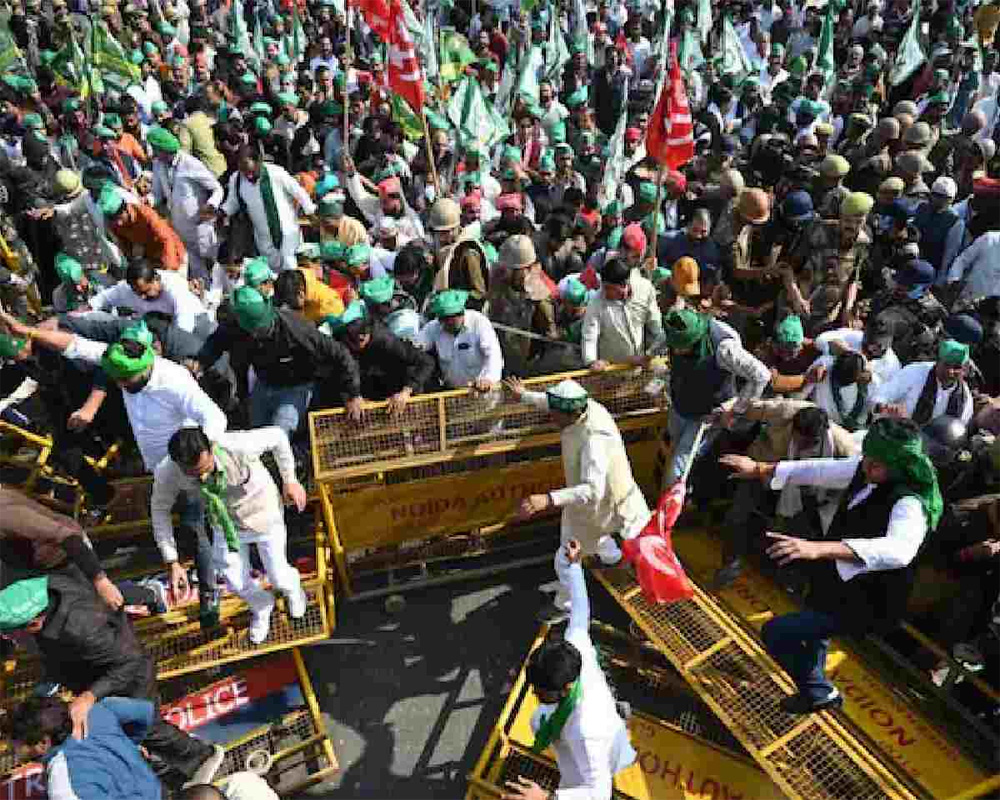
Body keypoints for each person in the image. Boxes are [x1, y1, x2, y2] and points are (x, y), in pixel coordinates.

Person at [720, 417, 942, 713]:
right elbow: (822, 470)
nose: (866, 467)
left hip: (867, 598)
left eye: (875, 464)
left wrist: (817, 549)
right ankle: (817, 693)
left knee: (777, 632)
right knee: (815, 634)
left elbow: (899, 550)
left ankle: (818, 689)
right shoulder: (868, 470)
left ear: (898, 466)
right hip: (834, 580)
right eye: (866, 459)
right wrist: (759, 469)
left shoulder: (910, 504)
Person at [0, 575, 226, 786]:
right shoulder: (51, 592)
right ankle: (159, 762)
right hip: (88, 669)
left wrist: (89, 697)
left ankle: (201, 756)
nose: (10, 639)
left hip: (129, 675)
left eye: (10, 634)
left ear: (34, 623)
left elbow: (130, 663)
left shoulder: (83, 630)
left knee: (144, 725)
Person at [499, 539, 636, 800]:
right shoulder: (577, 643)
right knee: (538, 719)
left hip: (597, 756)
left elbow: (600, 794)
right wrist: (574, 566)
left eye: (541, 692)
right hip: (593, 720)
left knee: (568, 769)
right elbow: (581, 609)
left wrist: (547, 798)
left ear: (567, 687)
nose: (535, 695)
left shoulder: (585, 733)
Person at [505, 378, 650, 622]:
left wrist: (549, 499)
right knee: (603, 540)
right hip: (608, 505)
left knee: (565, 558)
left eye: (554, 414)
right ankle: (615, 560)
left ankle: (565, 605)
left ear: (570, 413)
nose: (550, 417)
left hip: (597, 505)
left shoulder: (594, 439)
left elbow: (591, 490)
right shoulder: (586, 407)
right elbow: (551, 402)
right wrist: (524, 396)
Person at [152, 426, 308, 644]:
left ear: (211, 448)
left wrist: (290, 479)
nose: (204, 476)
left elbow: (278, 436)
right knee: (234, 579)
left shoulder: (236, 445)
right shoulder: (167, 472)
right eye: (195, 474)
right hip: (224, 523)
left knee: (278, 575)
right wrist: (172, 560)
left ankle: (294, 590)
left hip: (262, 512)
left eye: (206, 467)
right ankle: (262, 604)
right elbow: (159, 511)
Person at [193, 286, 364, 433]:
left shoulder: (297, 328)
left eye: (266, 325)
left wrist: (353, 394)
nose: (264, 330)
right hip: (264, 383)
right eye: (258, 329)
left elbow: (340, 353)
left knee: (280, 431)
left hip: (297, 386)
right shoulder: (236, 325)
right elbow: (217, 341)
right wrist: (200, 362)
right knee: (256, 432)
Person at [660, 308, 771, 484]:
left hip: (706, 415)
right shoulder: (673, 328)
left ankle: (672, 502)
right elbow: (659, 345)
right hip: (679, 406)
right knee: (672, 447)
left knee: (679, 466)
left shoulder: (724, 349)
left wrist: (735, 410)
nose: (676, 350)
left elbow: (761, 375)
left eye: (682, 347)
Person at [10, 695, 167, 799]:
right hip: (156, 791)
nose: (12, 746)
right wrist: (131, 743)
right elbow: (145, 712)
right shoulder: (94, 711)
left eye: (16, 741)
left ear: (43, 743)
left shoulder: (62, 781)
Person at [221, 145, 316, 272]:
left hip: (287, 231)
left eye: (249, 170)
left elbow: (298, 192)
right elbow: (233, 202)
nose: (247, 175)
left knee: (290, 267)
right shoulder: (237, 179)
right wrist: (220, 212)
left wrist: (310, 211)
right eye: (242, 170)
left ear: (258, 161)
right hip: (263, 236)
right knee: (271, 271)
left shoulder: (275, 173)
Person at [149, 125, 224, 282]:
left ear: (163, 149)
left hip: (201, 226)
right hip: (179, 228)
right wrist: (148, 201)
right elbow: (157, 194)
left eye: (155, 149)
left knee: (214, 264)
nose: (153, 153)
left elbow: (217, 188)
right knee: (196, 271)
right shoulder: (158, 165)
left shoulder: (190, 164)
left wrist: (211, 205)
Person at [83, 261, 209, 335]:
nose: (142, 297)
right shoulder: (128, 289)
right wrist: (88, 308)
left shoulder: (175, 286)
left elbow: (184, 322)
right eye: (137, 293)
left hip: (196, 322)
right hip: (159, 325)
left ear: (156, 280)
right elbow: (104, 298)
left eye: (146, 291)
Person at [580, 257, 663, 370]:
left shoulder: (645, 289)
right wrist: (592, 361)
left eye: (609, 288)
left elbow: (656, 326)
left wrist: (651, 354)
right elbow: (589, 335)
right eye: (603, 287)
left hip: (641, 366)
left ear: (624, 285)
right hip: (610, 371)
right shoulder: (596, 302)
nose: (605, 292)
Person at [871, 338, 975, 425]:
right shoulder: (914, 372)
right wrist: (885, 408)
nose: (951, 372)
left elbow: (959, 429)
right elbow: (880, 396)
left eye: (956, 367)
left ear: (964, 370)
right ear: (937, 361)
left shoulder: (964, 398)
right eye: (946, 365)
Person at [417, 289, 504, 391]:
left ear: (461, 312)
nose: (448, 322)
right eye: (444, 319)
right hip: (452, 392)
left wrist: (488, 379)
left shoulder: (479, 322)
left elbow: (493, 354)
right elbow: (415, 346)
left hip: (481, 391)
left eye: (451, 318)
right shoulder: (434, 327)